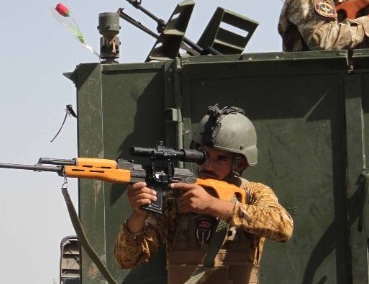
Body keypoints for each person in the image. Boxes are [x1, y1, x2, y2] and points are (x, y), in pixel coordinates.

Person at [114, 105, 293, 284]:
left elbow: (283, 227)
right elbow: (127, 259)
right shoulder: (175, 197)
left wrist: (211, 205)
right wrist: (138, 216)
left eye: (221, 158)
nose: (208, 166)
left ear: (240, 163)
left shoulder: (252, 192)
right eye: (203, 155)